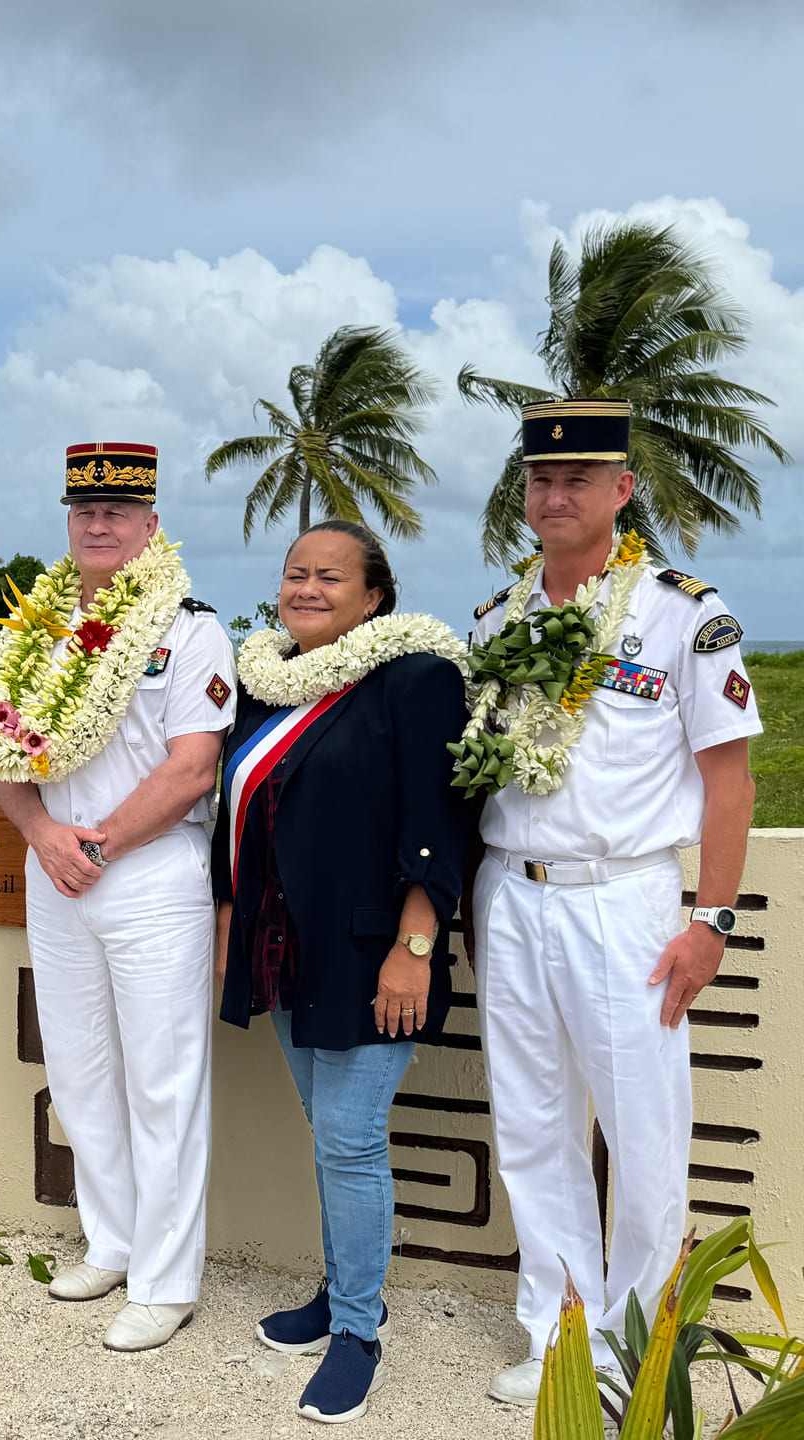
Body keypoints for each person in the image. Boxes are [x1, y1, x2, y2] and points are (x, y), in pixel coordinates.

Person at [462, 400, 760, 1405]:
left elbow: (730, 781)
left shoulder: (682, 613)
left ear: (621, 491)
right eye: (541, 481)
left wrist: (711, 923)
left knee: (642, 1130)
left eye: (578, 480)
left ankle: (637, 1349)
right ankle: (557, 1340)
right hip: (512, 891)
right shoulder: (497, 623)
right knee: (533, 1126)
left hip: (623, 900)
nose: (555, 495)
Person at [212, 520, 472, 1423]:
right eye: (294, 575)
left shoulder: (415, 678)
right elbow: (236, 816)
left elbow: (440, 823)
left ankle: (358, 1332)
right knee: (327, 1131)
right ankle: (338, 1293)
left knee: (351, 1137)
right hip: (287, 951)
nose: (308, 589)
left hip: (374, 955)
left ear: (374, 597)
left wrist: (413, 950)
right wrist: (227, 930)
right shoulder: (269, 684)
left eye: (330, 577)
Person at [0, 442, 236, 1352]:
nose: (98, 525)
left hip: (153, 872)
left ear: (150, 522)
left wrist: (102, 842)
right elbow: (5, 761)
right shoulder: (30, 628)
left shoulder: (190, 626)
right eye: (84, 511)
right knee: (82, 1072)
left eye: (117, 512)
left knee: (162, 1082)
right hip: (55, 870)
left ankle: (167, 1282)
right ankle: (114, 1240)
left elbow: (193, 765)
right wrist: (47, 837)